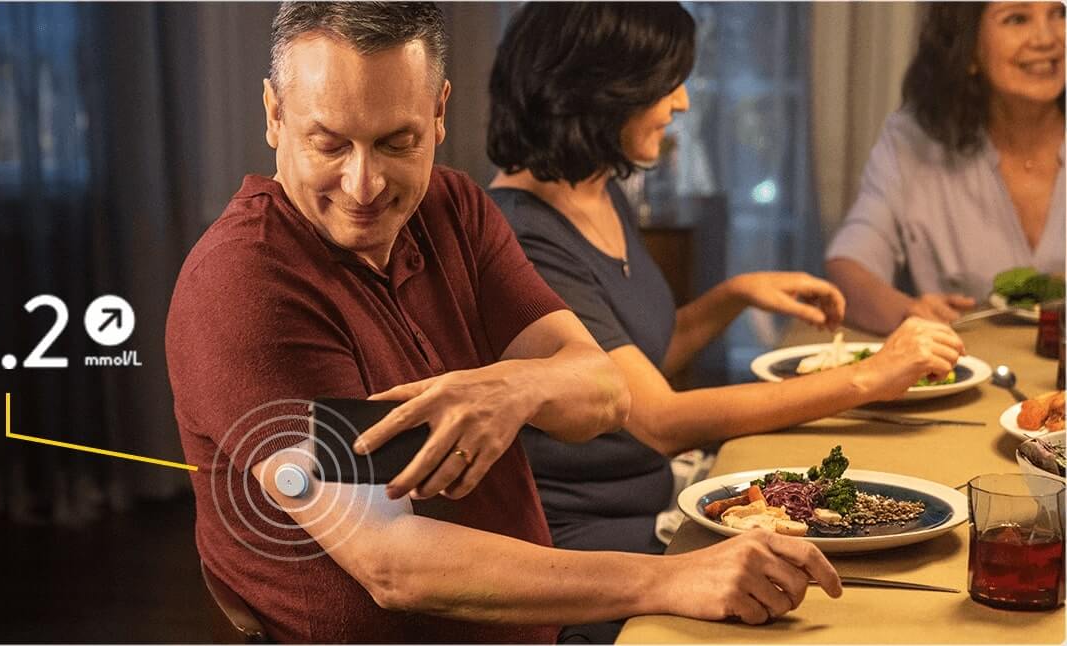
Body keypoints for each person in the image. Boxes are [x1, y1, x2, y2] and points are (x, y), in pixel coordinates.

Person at [165, 3, 842, 643]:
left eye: (396, 141)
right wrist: (668, 579)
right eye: (330, 144)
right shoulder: (246, 285)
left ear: (438, 115)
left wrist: (516, 389)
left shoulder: (452, 208)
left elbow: (604, 395)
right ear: (274, 116)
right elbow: (393, 561)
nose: (364, 184)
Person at [487, 5, 961, 639]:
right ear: (603, 89)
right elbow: (655, 420)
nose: (680, 103)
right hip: (593, 553)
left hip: (653, 508)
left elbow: (636, 357)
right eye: (666, 84)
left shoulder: (592, 188)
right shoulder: (522, 232)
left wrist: (732, 296)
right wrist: (868, 378)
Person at [825, 1, 1065, 334]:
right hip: (969, 372)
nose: (1047, 37)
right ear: (968, 49)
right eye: (1017, 18)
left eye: (1061, 13)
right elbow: (849, 267)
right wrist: (908, 312)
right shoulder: (913, 143)